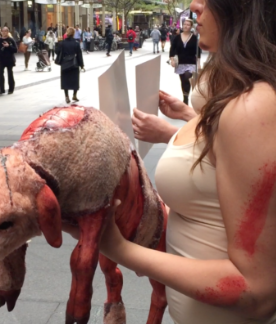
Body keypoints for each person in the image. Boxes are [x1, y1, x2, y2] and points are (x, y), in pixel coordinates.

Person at [63, 1, 276, 324]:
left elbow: (255, 291)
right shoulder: (241, 98)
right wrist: (183, 125)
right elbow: (225, 154)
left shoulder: (253, 108)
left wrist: (119, 248)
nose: (194, 5)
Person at [169, 19, 198, 105]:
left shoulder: (194, 38)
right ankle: (185, 97)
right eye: (184, 24)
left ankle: (186, 97)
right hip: (180, 62)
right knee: (183, 81)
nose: (186, 26)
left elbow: (198, 51)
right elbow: (172, 49)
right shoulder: (177, 37)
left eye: (188, 24)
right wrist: (172, 60)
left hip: (191, 62)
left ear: (191, 26)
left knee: (187, 76)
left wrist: (198, 63)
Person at [56, 27, 84, 104]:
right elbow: (79, 55)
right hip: (74, 63)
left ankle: (67, 97)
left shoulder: (62, 43)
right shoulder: (76, 43)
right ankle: (74, 95)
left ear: (67, 33)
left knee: (65, 80)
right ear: (74, 34)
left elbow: (56, 51)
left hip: (65, 63)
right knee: (75, 80)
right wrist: (81, 65)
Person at [0, 26, 17, 95]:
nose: (4, 32)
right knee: (0, 74)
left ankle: (11, 89)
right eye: (3, 31)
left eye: (5, 31)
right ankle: (2, 90)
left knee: (10, 74)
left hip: (9, 59)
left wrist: (8, 46)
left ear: (8, 32)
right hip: (2, 60)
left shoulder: (11, 40)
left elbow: (15, 50)